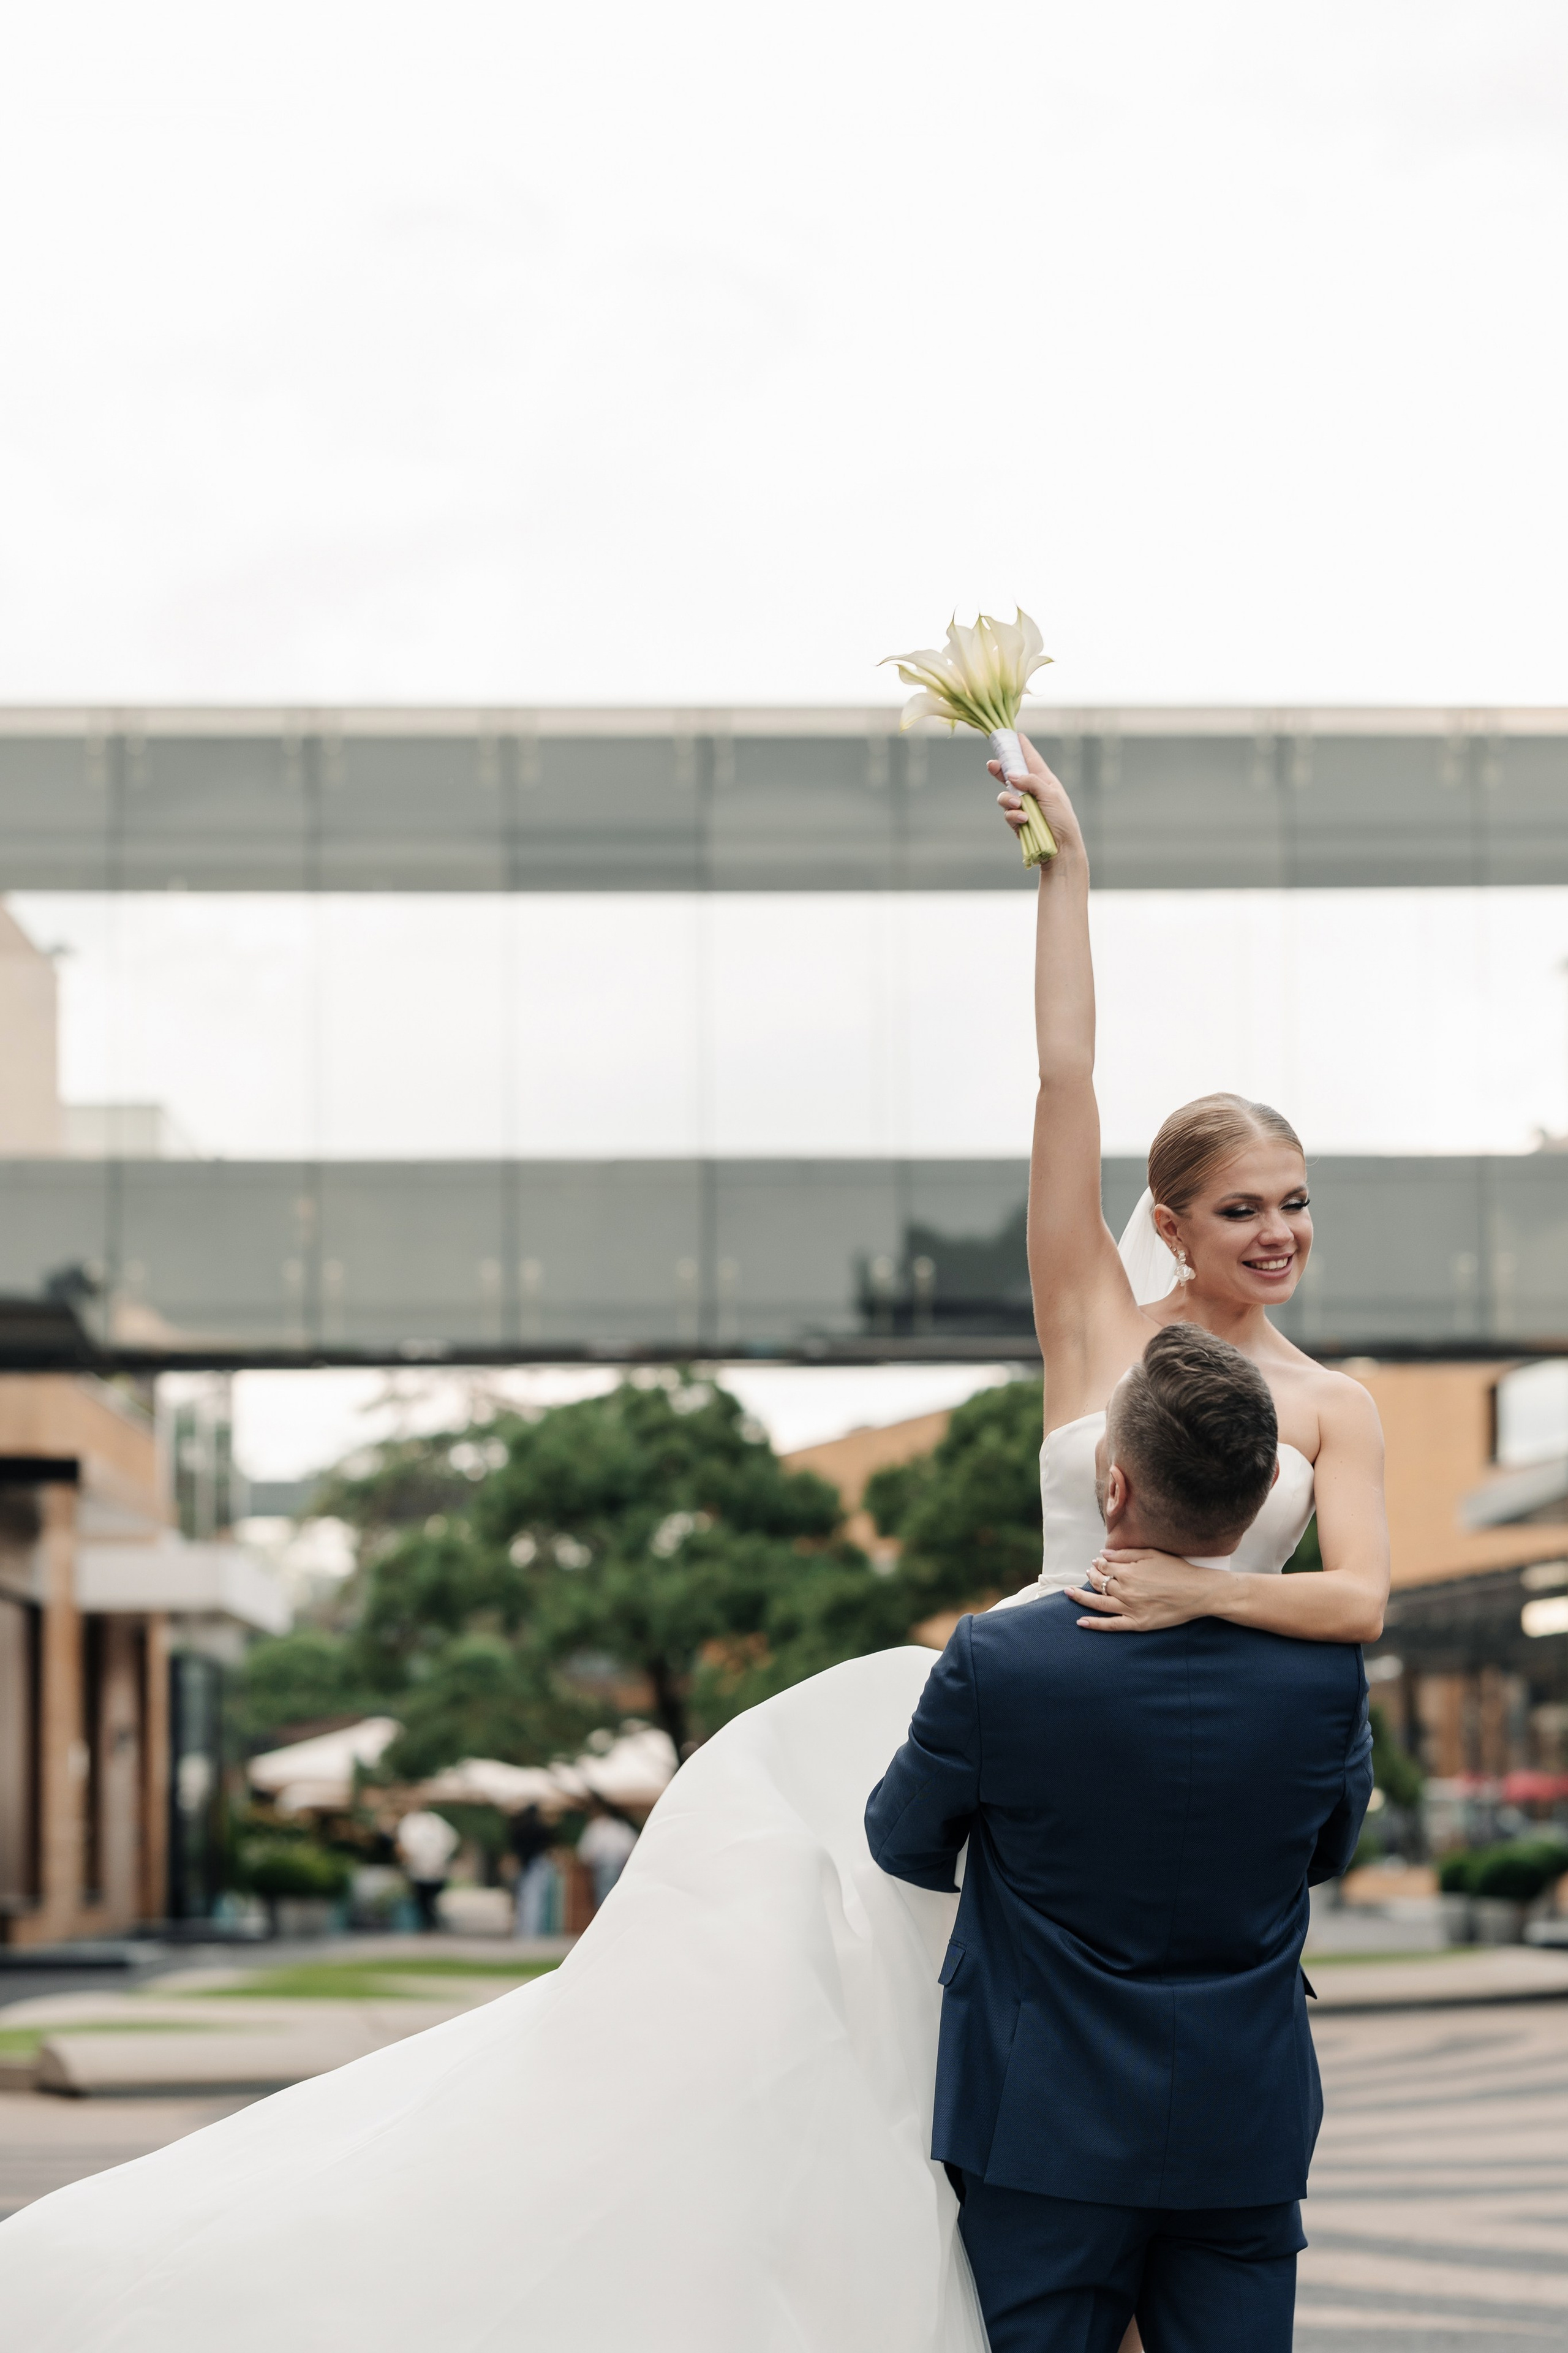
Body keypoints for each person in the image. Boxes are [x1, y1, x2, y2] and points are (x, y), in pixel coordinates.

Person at [0, 741, 1390, 2353]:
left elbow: (1358, 1598)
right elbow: (1061, 1080)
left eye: (1296, 1203)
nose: (1279, 1234)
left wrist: (1191, 1588)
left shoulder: (1335, 1403)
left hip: (1182, 1762)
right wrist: (1064, 870)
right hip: (1035, 1746)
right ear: (1170, 1218)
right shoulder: (1094, 1323)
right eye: (1244, 1208)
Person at [866, 1322, 1373, 2353]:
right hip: (1244, 2121)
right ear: (1254, 1507)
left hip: (1038, 2124)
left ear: (1113, 1486)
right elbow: (1327, 1850)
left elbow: (901, 1838)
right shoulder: (1327, 1677)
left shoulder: (997, 1661)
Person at [394, 1807, 459, 1933]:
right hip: (426, 1867)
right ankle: (429, 1922)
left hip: (428, 1867)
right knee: (426, 1898)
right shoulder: (429, 1821)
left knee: (425, 1897)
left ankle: (428, 1922)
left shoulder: (417, 1822)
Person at [508, 1802, 556, 1939]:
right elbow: (549, 1843)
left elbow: (514, 1847)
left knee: (525, 1899)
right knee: (535, 1900)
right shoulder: (541, 1828)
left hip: (525, 1866)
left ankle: (525, 1929)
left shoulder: (520, 1828)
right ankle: (533, 1930)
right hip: (536, 1864)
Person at [577, 1802, 638, 1910]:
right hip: (614, 1866)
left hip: (607, 1867)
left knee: (605, 1897)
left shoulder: (598, 1827)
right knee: (613, 1896)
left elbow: (586, 1852)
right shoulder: (619, 1827)